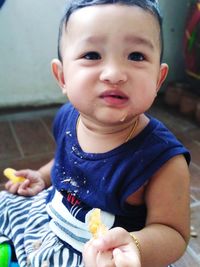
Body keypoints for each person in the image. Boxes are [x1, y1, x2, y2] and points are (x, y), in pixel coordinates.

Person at [0, 0, 191, 266]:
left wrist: (135, 247)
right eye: (92, 55)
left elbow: (174, 233)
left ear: (158, 79)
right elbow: (67, 162)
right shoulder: (67, 117)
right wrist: (42, 177)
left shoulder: (164, 161)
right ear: (63, 76)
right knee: (5, 203)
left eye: (136, 56)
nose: (114, 74)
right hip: (54, 216)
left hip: (104, 255)